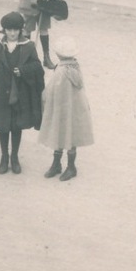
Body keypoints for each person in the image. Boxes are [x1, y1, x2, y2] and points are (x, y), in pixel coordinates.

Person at [0, 11, 45, 176]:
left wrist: (22, 70)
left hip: (20, 93)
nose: (12, 33)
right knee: (3, 125)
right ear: (4, 30)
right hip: (1, 92)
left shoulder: (29, 46)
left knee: (16, 126)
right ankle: (4, 157)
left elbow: (37, 67)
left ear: (21, 30)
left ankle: (14, 157)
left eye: (16, 30)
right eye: (9, 30)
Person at [39, 36, 93, 181]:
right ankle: (62, 165)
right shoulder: (75, 66)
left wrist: (43, 96)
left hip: (62, 109)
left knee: (60, 133)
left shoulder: (61, 70)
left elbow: (52, 89)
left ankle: (68, 167)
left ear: (59, 54)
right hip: (73, 109)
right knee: (70, 135)